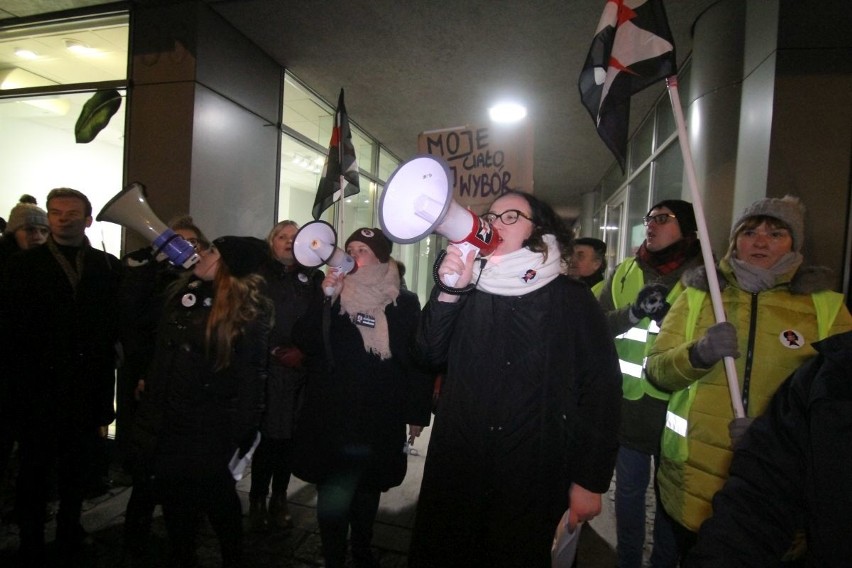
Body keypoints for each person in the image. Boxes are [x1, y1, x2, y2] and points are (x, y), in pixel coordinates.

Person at [408, 190, 622, 568]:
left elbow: (601, 392)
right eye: (490, 216)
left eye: (510, 216)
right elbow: (427, 354)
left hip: (533, 471)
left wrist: (590, 481)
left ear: (539, 232)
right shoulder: (464, 284)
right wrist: (448, 292)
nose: (493, 223)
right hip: (460, 464)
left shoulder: (572, 299)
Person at [645, 195, 852, 560]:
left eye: (776, 233)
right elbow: (658, 370)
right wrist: (697, 354)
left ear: (795, 243)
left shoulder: (827, 307)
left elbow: (838, 408)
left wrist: (771, 436)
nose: (760, 241)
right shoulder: (698, 294)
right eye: (750, 231)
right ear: (734, 241)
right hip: (692, 483)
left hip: (777, 491)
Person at [291, 227, 433, 568]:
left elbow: (417, 360)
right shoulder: (330, 293)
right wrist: (326, 298)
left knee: (368, 487)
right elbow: (306, 342)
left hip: (378, 412)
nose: (353, 255)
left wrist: (416, 412)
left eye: (362, 250)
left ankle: (362, 547)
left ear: (381, 256)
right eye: (350, 248)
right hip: (333, 411)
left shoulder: (404, 301)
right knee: (333, 487)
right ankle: (334, 554)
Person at [130, 235, 272, 567]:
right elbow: (137, 317)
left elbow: (252, 377)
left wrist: (241, 432)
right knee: (178, 508)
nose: (201, 254)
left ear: (227, 264)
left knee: (217, 500)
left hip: (208, 428)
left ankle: (232, 557)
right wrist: (148, 267)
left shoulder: (246, 310)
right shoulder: (181, 291)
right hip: (168, 421)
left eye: (211, 251)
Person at [1, 188, 123, 565]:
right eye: (56, 212)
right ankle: (31, 539)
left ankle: (71, 528)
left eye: (72, 213)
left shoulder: (107, 266)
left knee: (77, 469)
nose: (63, 218)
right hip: (38, 389)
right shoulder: (23, 266)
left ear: (88, 219)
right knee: (34, 471)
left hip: (87, 388)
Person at [684, 330, 852, 567]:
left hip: (793, 539)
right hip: (692, 487)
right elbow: (757, 503)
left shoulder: (828, 312)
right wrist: (698, 353)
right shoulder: (831, 374)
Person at [597, 199, 703, 568]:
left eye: (662, 219)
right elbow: (596, 326)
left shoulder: (708, 278)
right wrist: (633, 313)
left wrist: (672, 317)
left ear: (687, 227)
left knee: (669, 499)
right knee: (627, 492)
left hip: (678, 411)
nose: (651, 226)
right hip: (631, 407)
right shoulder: (625, 271)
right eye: (648, 220)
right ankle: (627, 560)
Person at [118, 214, 210, 561]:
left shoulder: (207, 284)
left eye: (192, 242)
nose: (184, 248)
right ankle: (135, 541)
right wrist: (148, 270)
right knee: (146, 474)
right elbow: (131, 316)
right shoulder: (150, 275)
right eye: (176, 241)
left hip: (186, 394)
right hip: (150, 383)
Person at [247, 220, 323, 532]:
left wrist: (304, 353)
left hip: (301, 372)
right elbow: (248, 322)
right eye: (282, 236)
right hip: (268, 371)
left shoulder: (314, 278)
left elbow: (321, 321)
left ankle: (280, 498)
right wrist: (275, 352)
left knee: (291, 440)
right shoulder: (257, 277)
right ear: (271, 242)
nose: (289, 242)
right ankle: (257, 499)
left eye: (295, 237)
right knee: (268, 441)